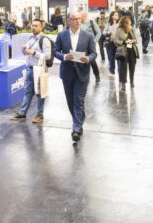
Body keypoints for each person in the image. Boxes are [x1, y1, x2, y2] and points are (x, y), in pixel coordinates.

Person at [54, 13, 97, 142]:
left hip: (82, 73)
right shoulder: (62, 35)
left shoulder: (88, 36)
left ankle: (76, 129)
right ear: (69, 21)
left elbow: (94, 53)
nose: (78, 21)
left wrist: (88, 58)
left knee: (78, 100)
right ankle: (78, 122)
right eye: (75, 19)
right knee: (70, 101)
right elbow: (55, 51)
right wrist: (64, 56)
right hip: (67, 73)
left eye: (79, 19)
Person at [11, 19, 52, 124]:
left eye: (36, 26)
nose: (33, 27)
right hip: (29, 69)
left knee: (39, 93)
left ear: (41, 27)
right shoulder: (30, 38)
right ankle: (22, 113)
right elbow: (26, 54)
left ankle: (40, 115)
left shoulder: (44, 40)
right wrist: (24, 49)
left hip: (39, 69)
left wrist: (34, 53)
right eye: (32, 25)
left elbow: (47, 56)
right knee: (28, 92)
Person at [115, 16, 139, 91]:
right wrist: (124, 42)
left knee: (132, 67)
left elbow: (136, 39)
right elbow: (116, 41)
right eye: (127, 22)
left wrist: (132, 41)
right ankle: (123, 83)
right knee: (123, 68)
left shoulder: (131, 29)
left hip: (132, 50)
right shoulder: (118, 30)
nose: (128, 24)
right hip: (123, 51)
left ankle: (132, 81)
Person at [81, 12, 101, 84]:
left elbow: (99, 33)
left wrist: (94, 41)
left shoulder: (92, 23)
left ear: (85, 16)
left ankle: (97, 76)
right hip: (82, 45)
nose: (80, 17)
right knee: (83, 61)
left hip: (90, 45)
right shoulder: (79, 24)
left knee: (92, 61)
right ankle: (86, 78)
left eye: (81, 16)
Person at [103, 11, 120, 77]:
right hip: (110, 43)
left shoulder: (120, 24)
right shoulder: (108, 24)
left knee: (119, 58)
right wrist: (108, 32)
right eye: (115, 15)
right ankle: (112, 71)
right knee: (111, 58)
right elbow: (104, 32)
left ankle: (119, 72)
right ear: (112, 16)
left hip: (118, 43)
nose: (117, 16)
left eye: (117, 15)